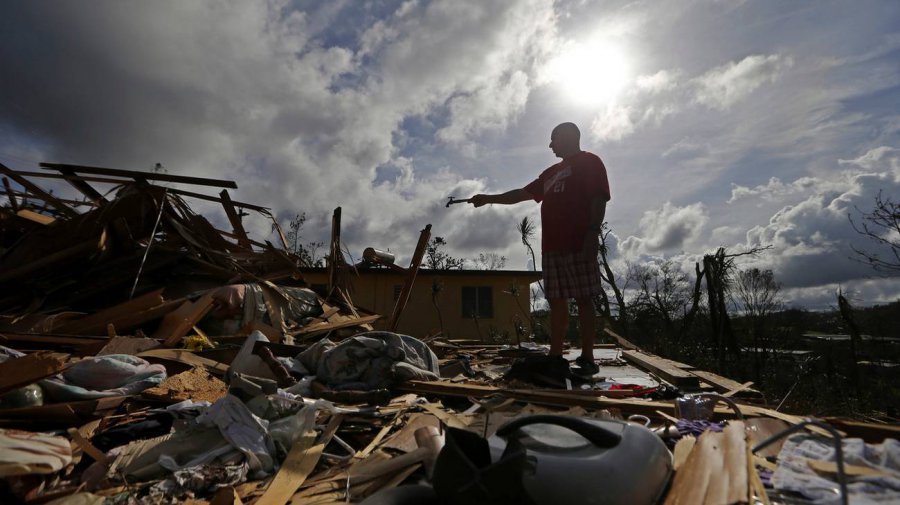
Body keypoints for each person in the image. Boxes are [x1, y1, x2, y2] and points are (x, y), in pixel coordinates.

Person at [469, 122, 610, 379]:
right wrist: (489, 198)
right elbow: (522, 193)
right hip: (552, 247)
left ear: (567, 137)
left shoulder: (590, 162)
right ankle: (556, 356)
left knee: (584, 298)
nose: (550, 145)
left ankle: (588, 357)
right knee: (557, 300)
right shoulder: (550, 172)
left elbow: (598, 198)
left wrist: (592, 232)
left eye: (553, 139)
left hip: (579, 242)